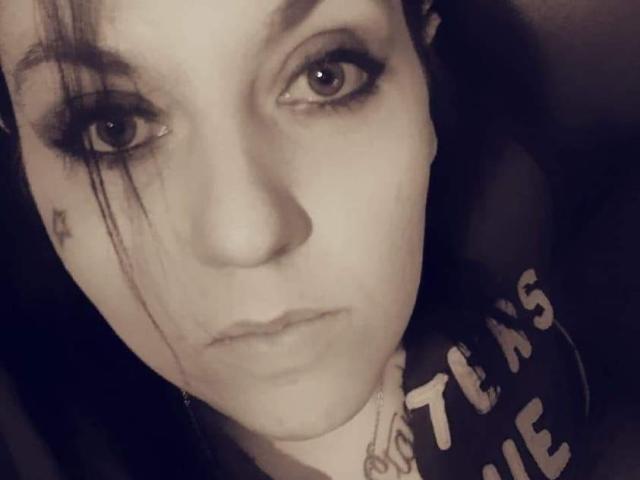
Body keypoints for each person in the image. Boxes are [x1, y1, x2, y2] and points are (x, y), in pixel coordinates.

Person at [0, 1, 587, 479]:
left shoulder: (515, 189)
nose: (245, 235)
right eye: (112, 127)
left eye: (325, 75)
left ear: (423, 51)